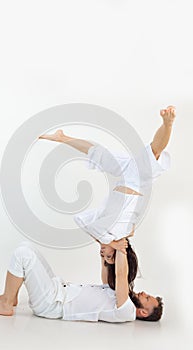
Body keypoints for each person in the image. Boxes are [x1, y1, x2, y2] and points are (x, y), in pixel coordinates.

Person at [38, 105, 176, 290]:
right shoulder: (121, 234)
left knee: (98, 153)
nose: (103, 254)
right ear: (121, 253)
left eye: (103, 258)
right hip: (138, 181)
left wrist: (105, 242)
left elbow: (80, 219)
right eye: (109, 256)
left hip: (121, 176)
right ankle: (168, 124)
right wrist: (115, 244)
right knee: (154, 153)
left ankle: (62, 137)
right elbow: (114, 279)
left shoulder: (101, 232)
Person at [0, 241, 163, 322]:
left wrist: (121, 243)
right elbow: (108, 275)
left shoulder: (126, 311)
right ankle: (11, 295)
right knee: (26, 246)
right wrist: (107, 249)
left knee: (22, 255)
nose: (145, 294)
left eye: (148, 299)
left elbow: (121, 274)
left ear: (143, 312)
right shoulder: (120, 298)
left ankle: (7, 305)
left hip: (52, 304)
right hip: (58, 289)